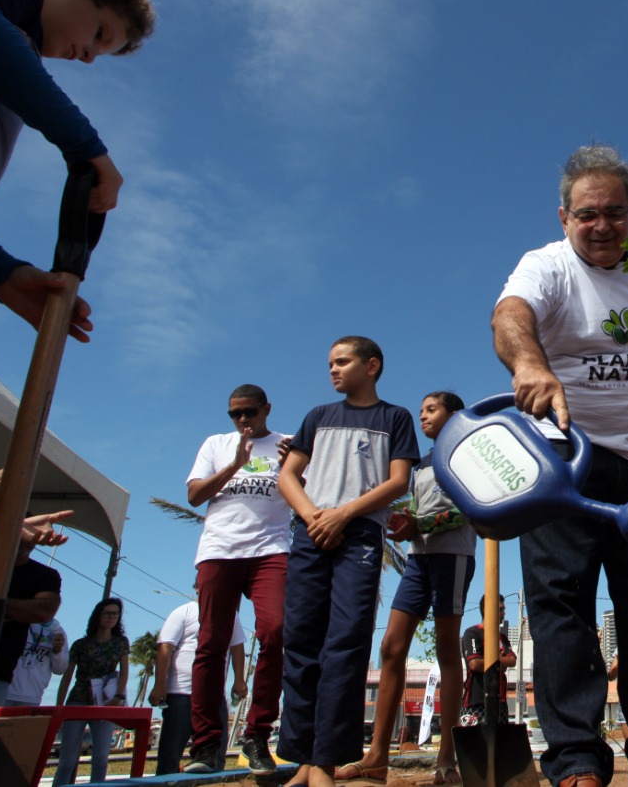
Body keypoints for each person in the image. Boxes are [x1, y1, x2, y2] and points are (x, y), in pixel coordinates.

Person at [492, 144, 628, 787]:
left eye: (614, 213)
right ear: (564, 216)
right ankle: (575, 758)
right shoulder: (546, 267)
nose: (602, 226)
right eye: (587, 214)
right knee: (561, 607)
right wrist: (529, 363)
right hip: (561, 468)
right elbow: (510, 318)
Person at [0, 0, 154, 342]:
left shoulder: (11, 60)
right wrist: (84, 143)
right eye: (100, 34)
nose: (88, 56)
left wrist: (1, 274)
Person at [278, 336, 420, 787]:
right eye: (330, 364)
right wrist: (312, 515)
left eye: (342, 362)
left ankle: (326, 760)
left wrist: (343, 513)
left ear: (371, 365)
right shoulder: (317, 417)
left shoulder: (394, 418)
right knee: (300, 638)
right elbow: (288, 474)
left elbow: (399, 482)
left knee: (347, 639)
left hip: (358, 532)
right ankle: (301, 759)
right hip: (310, 530)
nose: (333, 370)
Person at [337, 391, 476, 786]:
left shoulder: (469, 455)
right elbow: (418, 508)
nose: (423, 417)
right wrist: (404, 521)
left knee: (449, 651)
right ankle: (377, 756)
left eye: (432, 410)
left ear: (455, 415)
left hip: (453, 557)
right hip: (418, 561)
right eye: (421, 412)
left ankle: (447, 759)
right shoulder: (422, 463)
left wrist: (424, 525)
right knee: (391, 647)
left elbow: (472, 508)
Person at [182, 384, 289, 776]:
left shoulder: (287, 444)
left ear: (267, 409)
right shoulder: (216, 444)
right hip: (219, 551)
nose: (243, 420)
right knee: (211, 642)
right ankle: (206, 743)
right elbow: (194, 496)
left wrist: (293, 465)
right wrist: (234, 465)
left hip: (270, 550)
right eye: (235, 414)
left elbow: (307, 493)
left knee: (275, 631)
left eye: (250, 412)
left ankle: (257, 735)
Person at [0, 508, 62, 707]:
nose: (26, 540)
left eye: (32, 535)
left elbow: (42, 611)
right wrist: (15, 610)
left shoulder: (45, 575)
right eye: (20, 532)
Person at [149, 595, 248, 776]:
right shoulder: (183, 612)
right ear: (196, 586)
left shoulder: (230, 614)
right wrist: (160, 685)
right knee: (170, 753)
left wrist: (239, 680)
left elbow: (237, 646)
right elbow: (165, 647)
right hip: (180, 693)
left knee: (216, 754)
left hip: (214, 696)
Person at [52, 597, 130, 786]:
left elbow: (124, 672)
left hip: (105, 701)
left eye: (115, 614)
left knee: (101, 757)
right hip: (79, 698)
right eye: (107, 613)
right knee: (67, 759)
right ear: (98, 616)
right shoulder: (81, 644)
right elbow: (67, 675)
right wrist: (60, 707)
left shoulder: (120, 643)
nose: (111, 617)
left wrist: (119, 696)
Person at [461, 595, 517, 727]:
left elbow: (512, 660)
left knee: (500, 745)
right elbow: (475, 663)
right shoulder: (472, 633)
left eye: (504, 609)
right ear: (487, 609)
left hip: (500, 702)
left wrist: (490, 659)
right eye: (500, 609)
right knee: (474, 743)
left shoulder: (502, 637)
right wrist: (500, 661)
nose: (504, 613)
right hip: (476, 701)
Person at [3, 617, 67, 706]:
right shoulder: (16, 623)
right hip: (3, 690)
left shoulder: (57, 631)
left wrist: (57, 651)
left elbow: (60, 670)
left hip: (33, 696)